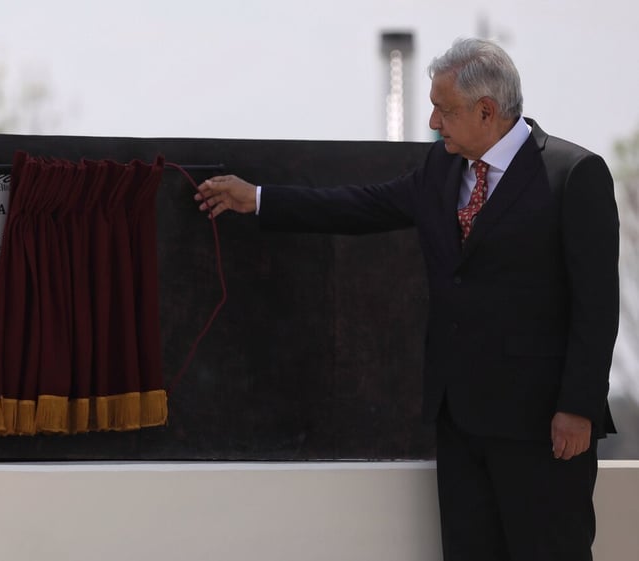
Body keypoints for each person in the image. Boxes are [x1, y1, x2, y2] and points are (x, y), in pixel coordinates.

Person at [194, 37, 619, 561]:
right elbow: (360, 207)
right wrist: (258, 199)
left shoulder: (573, 175)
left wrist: (577, 409)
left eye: (445, 109)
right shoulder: (441, 170)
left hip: (542, 428)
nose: (434, 122)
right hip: (460, 421)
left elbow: (596, 305)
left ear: (486, 111)